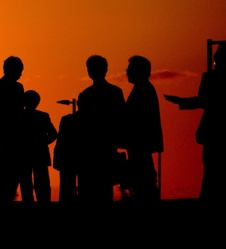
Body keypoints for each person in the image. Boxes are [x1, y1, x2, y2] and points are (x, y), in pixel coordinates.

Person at [165, 43, 225, 201]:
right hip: (212, 131)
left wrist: (180, 101)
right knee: (211, 168)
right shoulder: (209, 77)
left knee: (211, 168)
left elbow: (202, 100)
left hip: (212, 130)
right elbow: (203, 100)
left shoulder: (209, 78)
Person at [77, 55, 125, 202]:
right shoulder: (115, 92)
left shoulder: (86, 95)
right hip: (105, 145)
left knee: (91, 189)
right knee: (104, 188)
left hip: (93, 146)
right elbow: (121, 118)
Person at [0, 56, 26, 201]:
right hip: (9, 138)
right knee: (9, 175)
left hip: (3, 138)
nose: (21, 74)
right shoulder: (15, 88)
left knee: (3, 175)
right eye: (19, 70)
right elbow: (18, 114)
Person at [123, 55, 163, 201]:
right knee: (143, 171)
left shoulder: (142, 90)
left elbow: (134, 117)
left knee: (142, 173)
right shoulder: (143, 88)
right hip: (140, 141)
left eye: (129, 69)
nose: (126, 72)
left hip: (140, 140)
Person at [21, 90, 58, 202]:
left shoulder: (19, 116)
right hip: (39, 153)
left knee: (26, 180)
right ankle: (44, 201)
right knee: (41, 181)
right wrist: (42, 142)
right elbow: (53, 134)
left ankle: (29, 201)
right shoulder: (42, 116)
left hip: (24, 152)